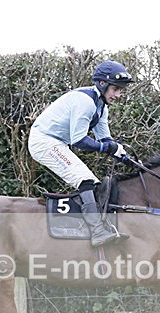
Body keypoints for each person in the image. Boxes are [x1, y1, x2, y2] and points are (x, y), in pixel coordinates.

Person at [28, 60, 134, 247]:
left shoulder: (101, 107)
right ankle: (97, 232)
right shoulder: (85, 102)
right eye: (116, 89)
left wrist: (122, 155)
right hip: (43, 141)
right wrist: (105, 148)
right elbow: (79, 140)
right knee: (85, 180)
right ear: (102, 84)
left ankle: (98, 227)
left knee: (94, 183)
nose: (118, 95)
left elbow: (105, 139)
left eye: (120, 90)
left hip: (57, 143)